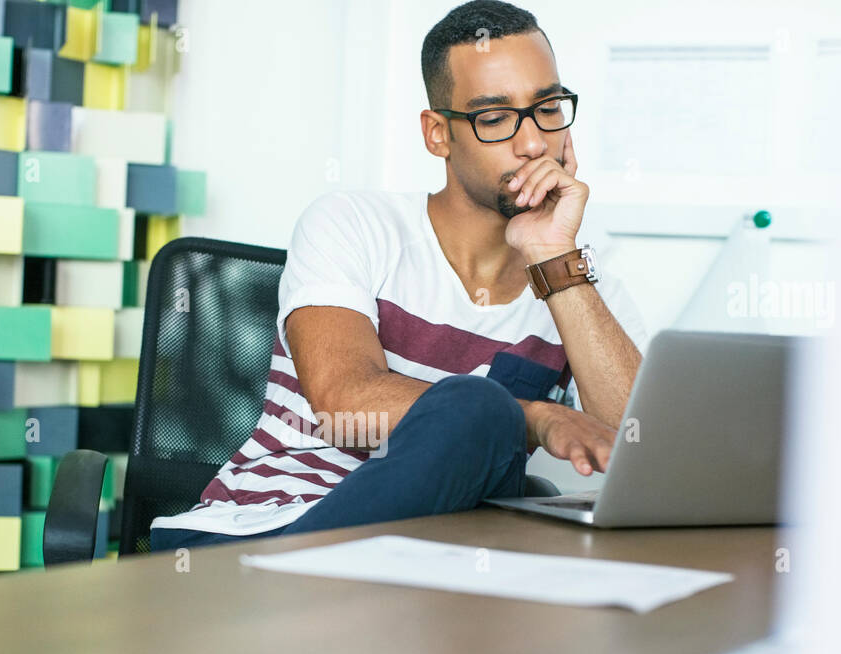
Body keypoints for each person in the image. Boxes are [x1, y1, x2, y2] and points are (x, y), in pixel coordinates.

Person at [150, 0, 648, 553]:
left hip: (423, 561)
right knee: (480, 409)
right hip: (264, 537)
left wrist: (554, 258)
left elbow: (642, 448)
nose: (533, 143)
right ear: (438, 134)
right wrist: (530, 418)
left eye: (547, 107)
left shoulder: (576, 284)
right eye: (494, 118)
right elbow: (344, 398)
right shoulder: (353, 224)